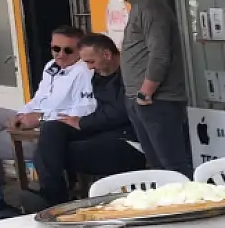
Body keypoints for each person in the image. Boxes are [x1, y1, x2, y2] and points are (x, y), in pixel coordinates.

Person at [0, 25, 96, 218]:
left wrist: (40, 118)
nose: (60, 54)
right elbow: (38, 99)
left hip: (54, 131)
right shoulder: (50, 66)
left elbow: (85, 110)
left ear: (80, 50)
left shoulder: (85, 71)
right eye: (55, 49)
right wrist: (22, 115)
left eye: (67, 50)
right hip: (34, 121)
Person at [33, 34, 146, 206]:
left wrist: (82, 122)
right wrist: (76, 121)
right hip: (102, 132)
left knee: (49, 154)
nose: (89, 67)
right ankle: (53, 198)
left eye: (91, 62)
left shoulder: (129, 74)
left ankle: (54, 201)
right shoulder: (99, 76)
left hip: (128, 141)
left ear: (107, 54)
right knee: (51, 130)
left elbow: (120, 112)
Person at [106, 0, 193, 177]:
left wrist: (146, 91)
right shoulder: (139, 6)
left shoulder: (150, 6)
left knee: (172, 164)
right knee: (157, 165)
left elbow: (160, 53)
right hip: (141, 99)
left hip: (158, 99)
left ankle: (188, 206)